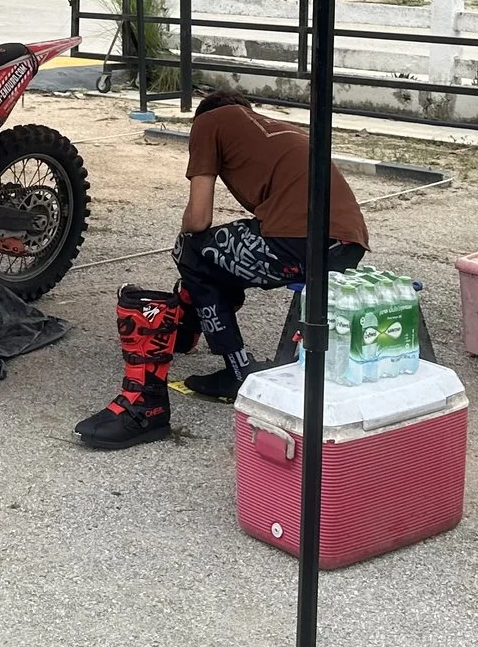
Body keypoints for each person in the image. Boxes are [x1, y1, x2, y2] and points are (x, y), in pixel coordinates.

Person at [73, 90, 369, 449]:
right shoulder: (276, 128)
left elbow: (198, 219)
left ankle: (235, 367)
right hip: (347, 245)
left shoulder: (209, 124)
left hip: (299, 242)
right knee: (220, 255)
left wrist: (187, 246)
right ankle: (200, 314)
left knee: (192, 250)